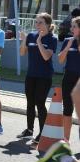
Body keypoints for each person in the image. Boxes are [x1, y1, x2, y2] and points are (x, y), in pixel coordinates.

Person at [18, 13, 57, 143]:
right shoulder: (31, 36)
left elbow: (46, 56)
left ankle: (43, 133)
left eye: (40, 22)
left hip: (44, 76)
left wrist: (39, 41)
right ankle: (29, 130)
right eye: (36, 22)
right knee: (30, 102)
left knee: (40, 103)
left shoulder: (52, 39)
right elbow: (22, 53)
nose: (37, 25)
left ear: (47, 24)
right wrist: (24, 40)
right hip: (31, 75)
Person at [59, 16, 80, 142]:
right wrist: (68, 47)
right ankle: (65, 139)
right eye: (71, 26)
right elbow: (61, 60)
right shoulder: (67, 40)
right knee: (67, 109)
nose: (71, 28)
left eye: (74, 26)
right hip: (68, 78)